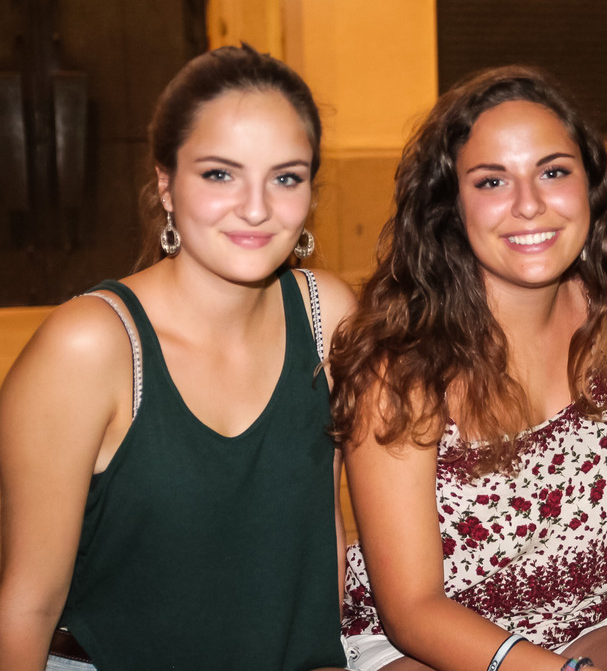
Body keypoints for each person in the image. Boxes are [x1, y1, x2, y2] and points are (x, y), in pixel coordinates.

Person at [0, 45, 354, 670]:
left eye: (285, 177)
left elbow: (326, 542)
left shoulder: (328, 315)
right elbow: (27, 605)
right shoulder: (91, 345)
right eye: (220, 174)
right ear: (166, 183)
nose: (256, 208)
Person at [329, 66, 607, 671]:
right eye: (493, 180)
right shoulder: (402, 370)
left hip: (600, 616)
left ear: (590, 186)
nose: (529, 205)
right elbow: (413, 610)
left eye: (553, 172)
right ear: (450, 205)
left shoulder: (602, 314)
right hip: (434, 639)